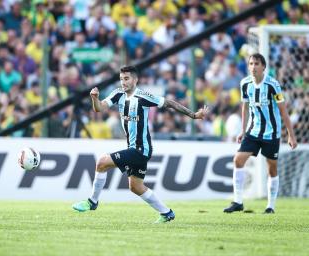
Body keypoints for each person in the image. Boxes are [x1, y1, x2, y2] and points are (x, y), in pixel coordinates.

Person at [72, 66, 209, 223]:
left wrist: (193, 115)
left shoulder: (143, 97)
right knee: (135, 186)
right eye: (121, 79)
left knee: (102, 162)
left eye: (127, 78)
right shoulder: (118, 94)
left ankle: (92, 202)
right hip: (134, 148)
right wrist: (94, 98)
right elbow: (99, 108)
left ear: (135, 80)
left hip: (140, 149)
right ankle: (167, 213)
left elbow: (169, 103)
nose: (123, 82)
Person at [223, 53, 297, 214]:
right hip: (253, 131)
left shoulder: (273, 85)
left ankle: (270, 206)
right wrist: (242, 131)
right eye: (251, 64)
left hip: (271, 133)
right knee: (238, 160)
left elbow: (283, 111)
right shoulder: (245, 84)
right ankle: (238, 201)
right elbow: (244, 107)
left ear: (263, 67)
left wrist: (291, 135)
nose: (253, 67)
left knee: (272, 169)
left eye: (257, 64)